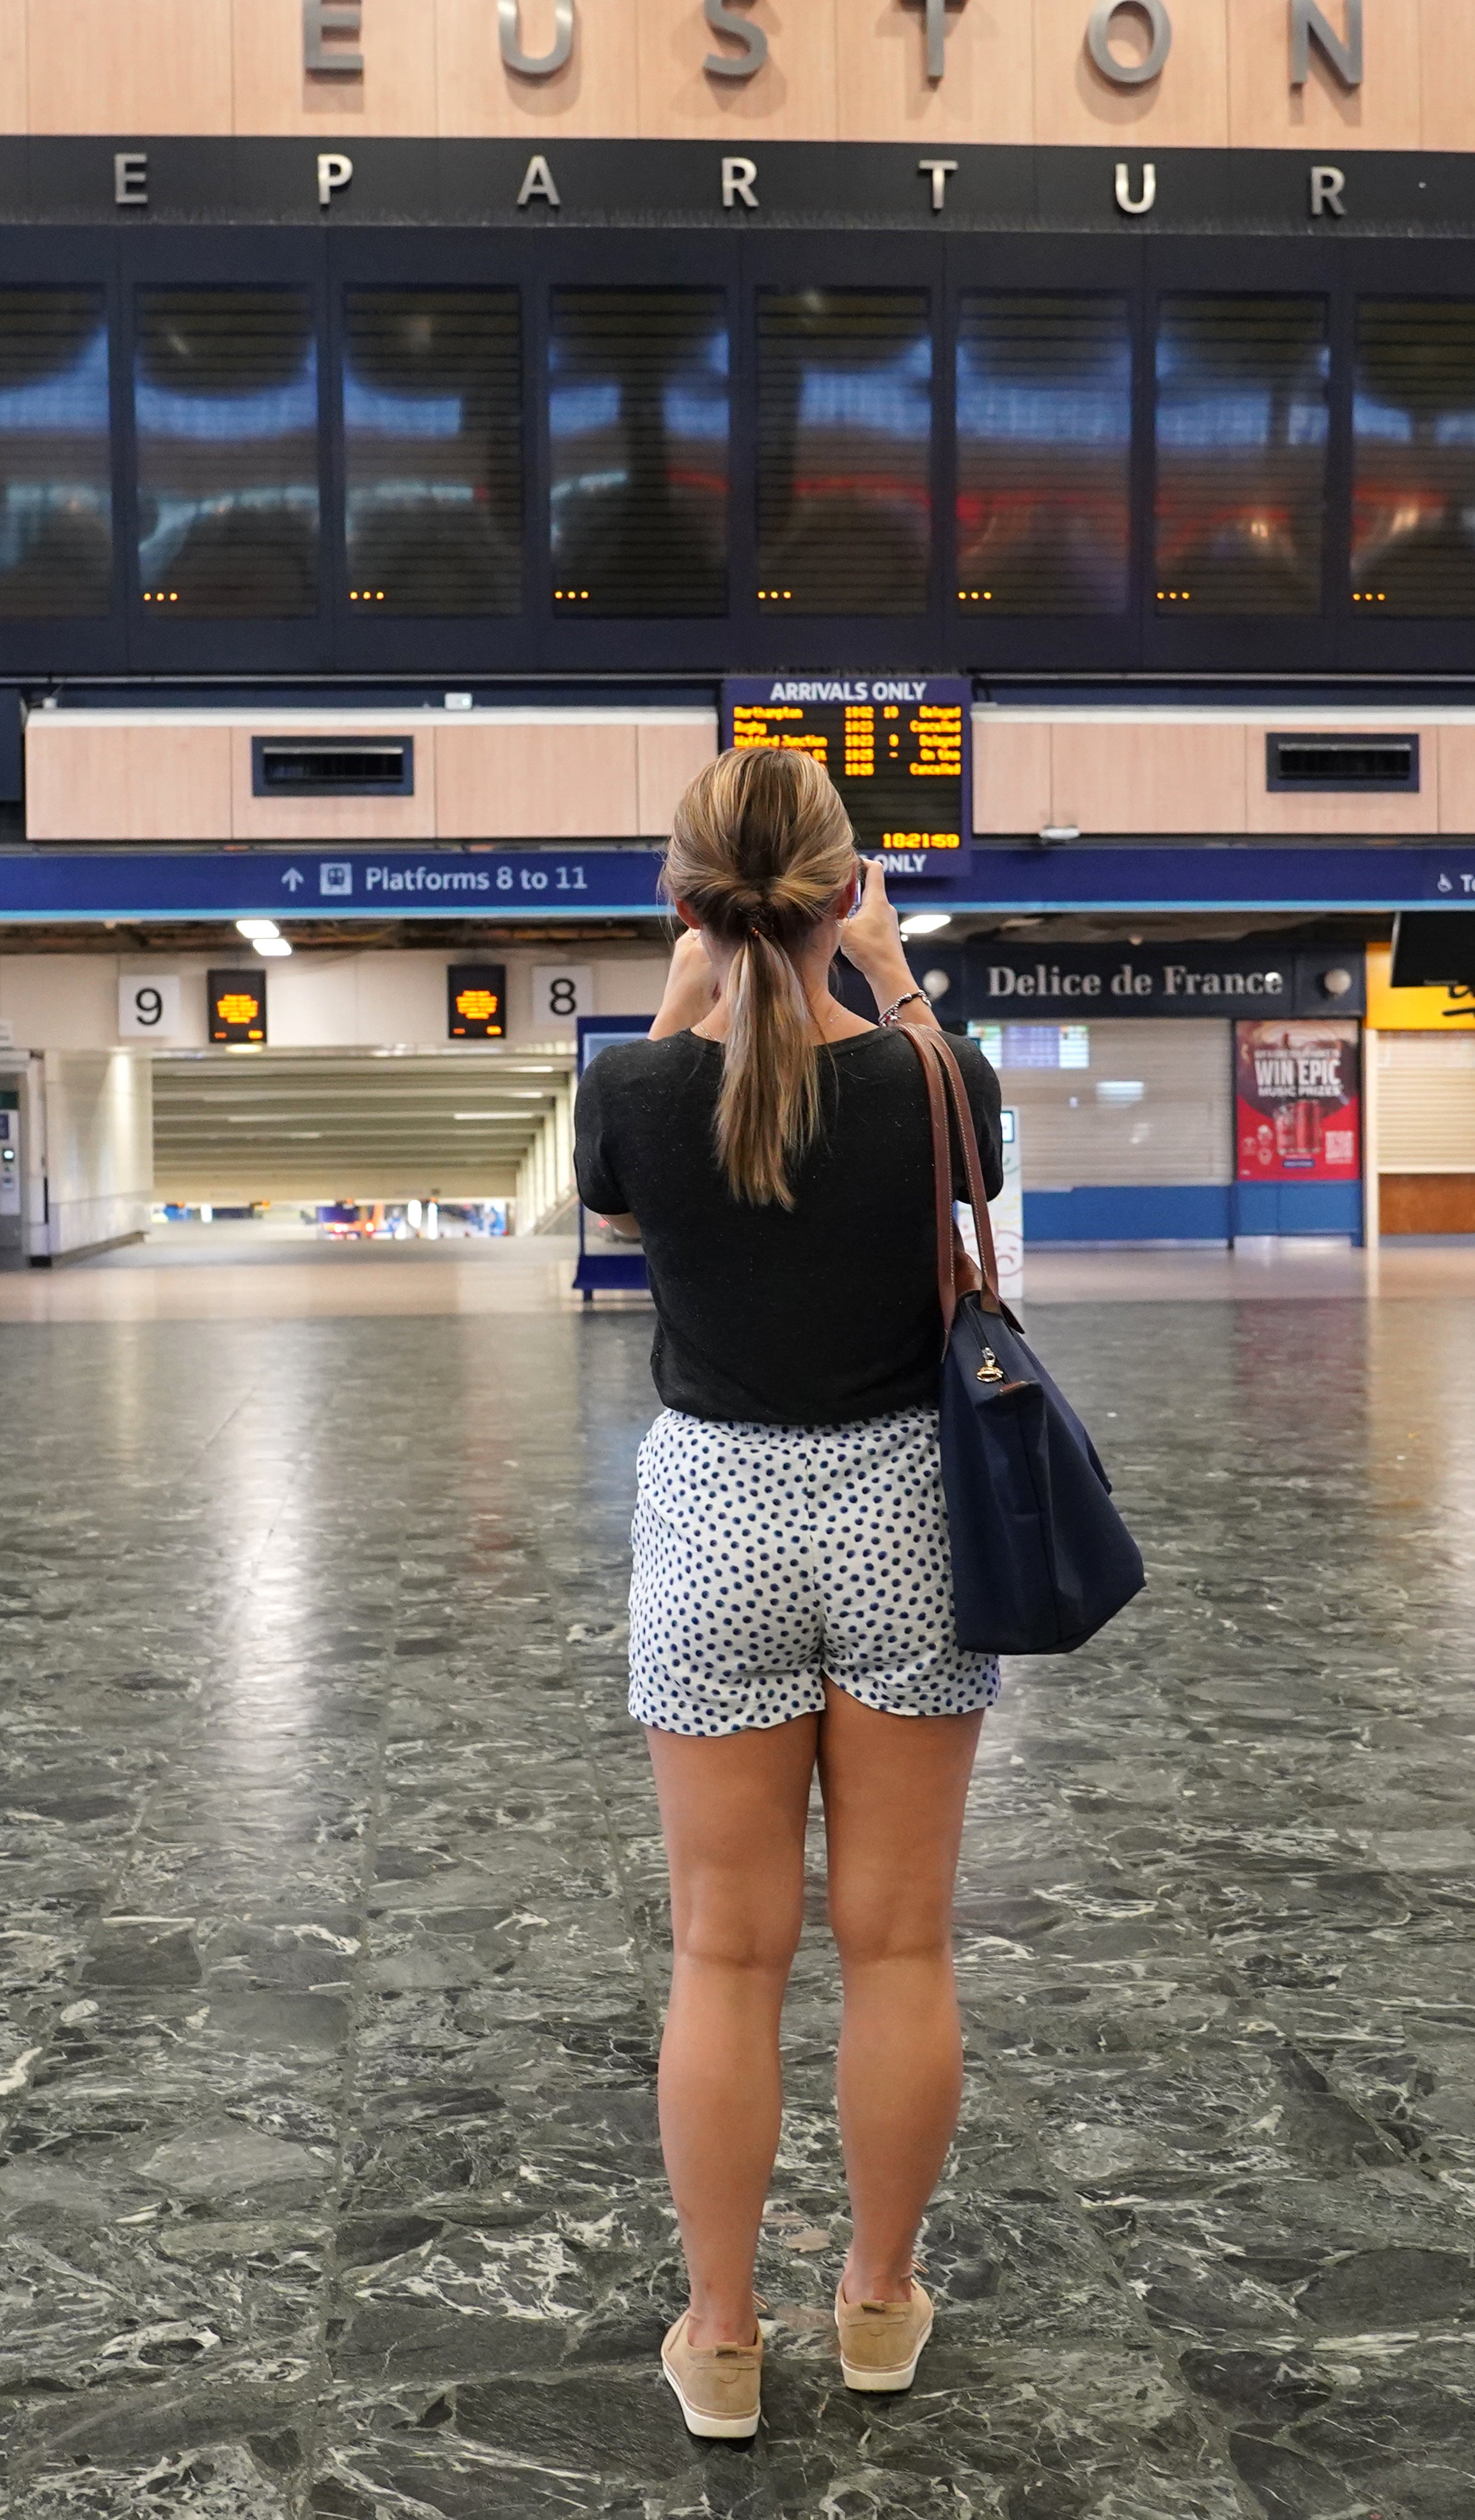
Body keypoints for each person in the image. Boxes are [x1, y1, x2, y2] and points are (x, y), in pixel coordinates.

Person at [572, 747, 1006, 2441]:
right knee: (898, 1943)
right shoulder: (931, 1082)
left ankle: (725, 2332)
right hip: (908, 1507)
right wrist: (890, 969)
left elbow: (619, 1179)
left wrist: (690, 978)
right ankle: (883, 2304)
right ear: (844, 894)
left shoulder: (644, 1096)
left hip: (715, 1518)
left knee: (723, 1956)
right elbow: (957, 1141)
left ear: (688, 904)